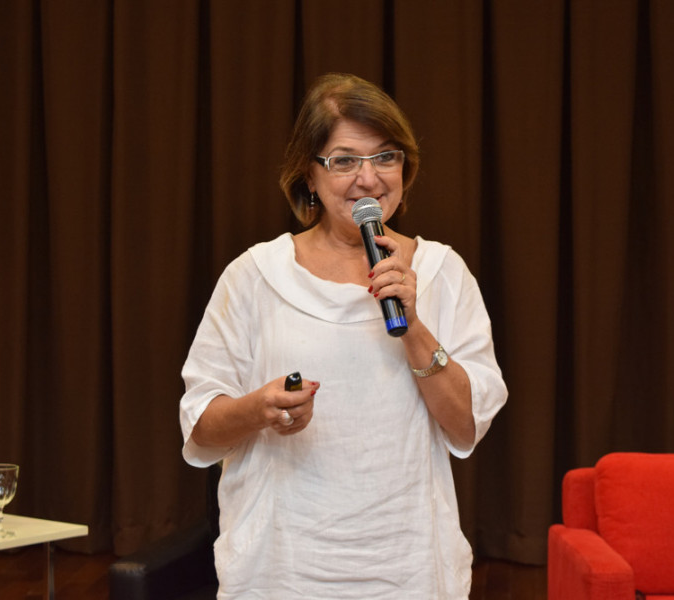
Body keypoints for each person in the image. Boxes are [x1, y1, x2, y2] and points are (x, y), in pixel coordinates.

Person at [179, 72, 507, 599]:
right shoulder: (255, 276)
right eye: (344, 161)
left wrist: (413, 325)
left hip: (409, 569)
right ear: (309, 175)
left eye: (385, 157)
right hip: (282, 571)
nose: (369, 179)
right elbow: (199, 431)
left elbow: (467, 426)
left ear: (405, 167)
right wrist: (258, 409)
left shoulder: (443, 273)